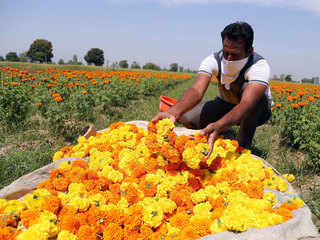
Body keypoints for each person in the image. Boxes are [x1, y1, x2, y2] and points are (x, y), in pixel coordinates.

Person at [152, 21, 272, 156]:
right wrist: (173, 112)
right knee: (187, 117)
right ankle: (225, 130)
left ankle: (242, 146)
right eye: (226, 52)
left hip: (256, 110)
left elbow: (246, 104)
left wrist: (218, 125)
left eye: (235, 54)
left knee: (255, 100)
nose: (228, 58)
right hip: (225, 104)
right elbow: (197, 90)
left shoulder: (258, 66)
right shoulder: (214, 60)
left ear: (249, 51)